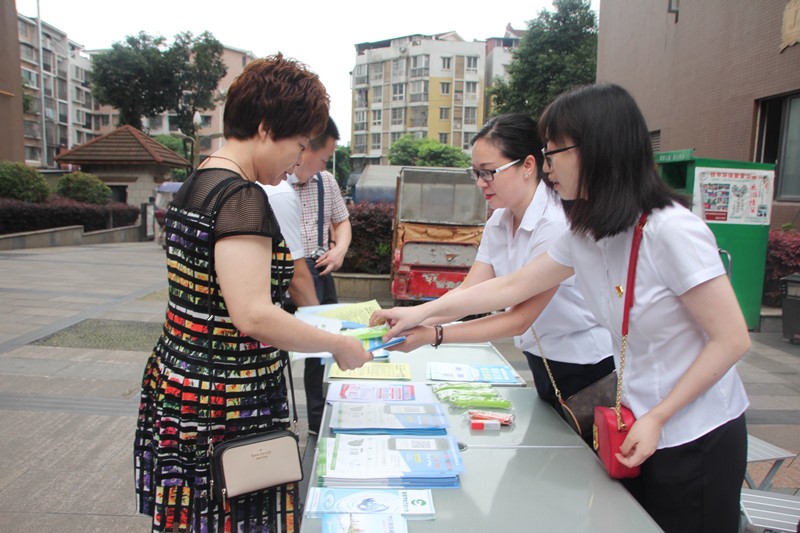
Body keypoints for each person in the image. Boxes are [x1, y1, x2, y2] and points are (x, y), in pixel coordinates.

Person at [372, 83, 751, 533]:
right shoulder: (585, 233)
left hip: (696, 432)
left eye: (554, 152)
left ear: (598, 149)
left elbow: (732, 340)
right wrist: (419, 314)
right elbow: (511, 286)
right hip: (634, 422)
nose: (547, 165)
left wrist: (660, 416)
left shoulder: (672, 231)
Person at [134, 54, 372, 533]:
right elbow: (253, 315)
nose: (298, 161)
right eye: (298, 144)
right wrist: (338, 344)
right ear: (265, 128)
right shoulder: (241, 198)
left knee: (194, 518)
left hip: (181, 382)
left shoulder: (197, 183)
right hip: (224, 400)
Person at [380, 113, 613, 436]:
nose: (480, 183)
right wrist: (414, 318)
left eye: (488, 172)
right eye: (476, 173)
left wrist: (433, 333)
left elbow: (518, 317)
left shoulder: (556, 224)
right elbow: (469, 292)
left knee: (581, 461)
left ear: (528, 165)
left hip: (586, 369)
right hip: (541, 360)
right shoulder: (499, 221)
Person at [289, 118, 351, 434]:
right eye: (325, 158)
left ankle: (317, 421)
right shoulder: (273, 184)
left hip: (318, 270)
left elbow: (342, 222)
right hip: (284, 274)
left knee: (320, 355)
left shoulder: (325, 182)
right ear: (304, 148)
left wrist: (339, 249)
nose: (325, 166)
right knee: (275, 348)